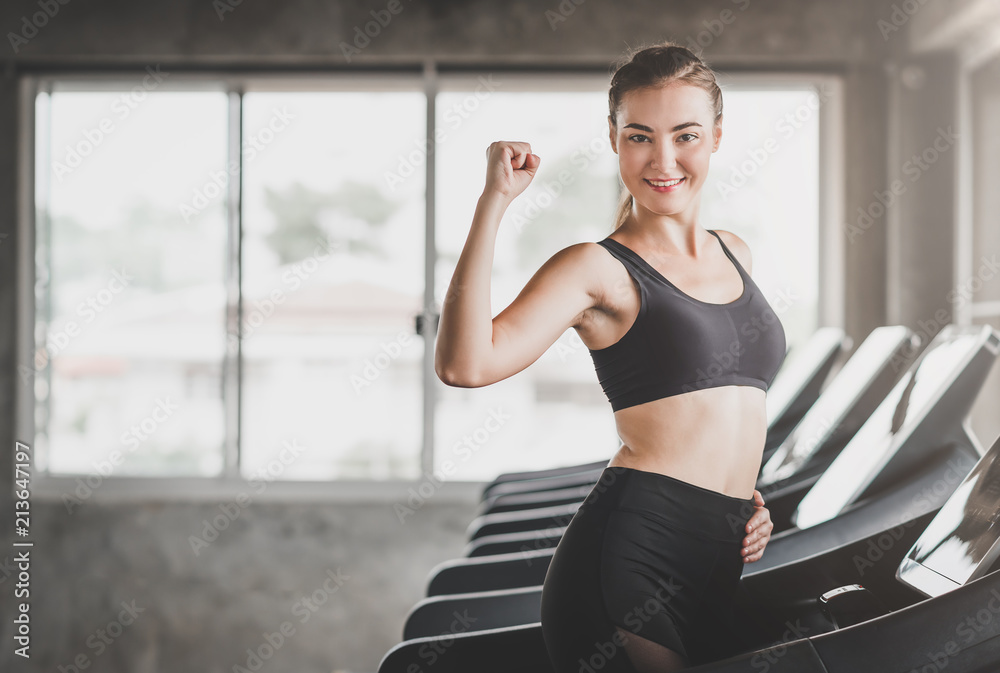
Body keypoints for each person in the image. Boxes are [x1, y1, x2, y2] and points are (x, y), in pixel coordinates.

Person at [434, 40, 785, 672]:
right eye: (640, 136)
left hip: (718, 559)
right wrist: (494, 203)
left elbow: (723, 412)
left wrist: (740, 498)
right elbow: (466, 364)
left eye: (685, 135)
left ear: (716, 138)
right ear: (616, 140)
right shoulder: (597, 268)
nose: (664, 159)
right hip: (629, 561)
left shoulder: (736, 253)